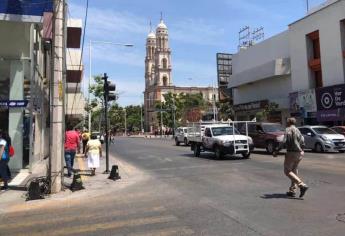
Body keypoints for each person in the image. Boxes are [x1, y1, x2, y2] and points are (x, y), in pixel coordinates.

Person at [274, 117, 309, 198]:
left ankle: (302, 185)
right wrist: (302, 150)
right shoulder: (298, 130)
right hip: (299, 153)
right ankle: (292, 190)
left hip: (291, 153)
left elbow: (284, 141)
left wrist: (277, 150)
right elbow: (303, 141)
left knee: (287, 171)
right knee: (294, 170)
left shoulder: (288, 129)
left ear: (288, 122)